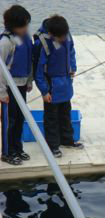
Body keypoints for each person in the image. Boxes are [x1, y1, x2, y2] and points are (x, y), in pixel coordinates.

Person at [35, 15, 83, 158]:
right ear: (51, 34)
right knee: (51, 118)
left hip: (66, 83)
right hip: (51, 85)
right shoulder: (43, 44)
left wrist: (72, 66)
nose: (63, 39)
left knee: (65, 113)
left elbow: (72, 51)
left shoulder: (66, 36)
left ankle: (67, 140)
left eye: (64, 35)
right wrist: (44, 91)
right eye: (59, 37)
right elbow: (39, 71)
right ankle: (53, 145)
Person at [0, 5, 33, 165]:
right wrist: (2, 93)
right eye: (24, 25)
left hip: (21, 85)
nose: (26, 28)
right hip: (9, 88)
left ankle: (17, 148)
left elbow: (29, 60)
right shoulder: (5, 42)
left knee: (20, 118)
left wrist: (28, 81)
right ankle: (7, 152)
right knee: (10, 121)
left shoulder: (25, 37)